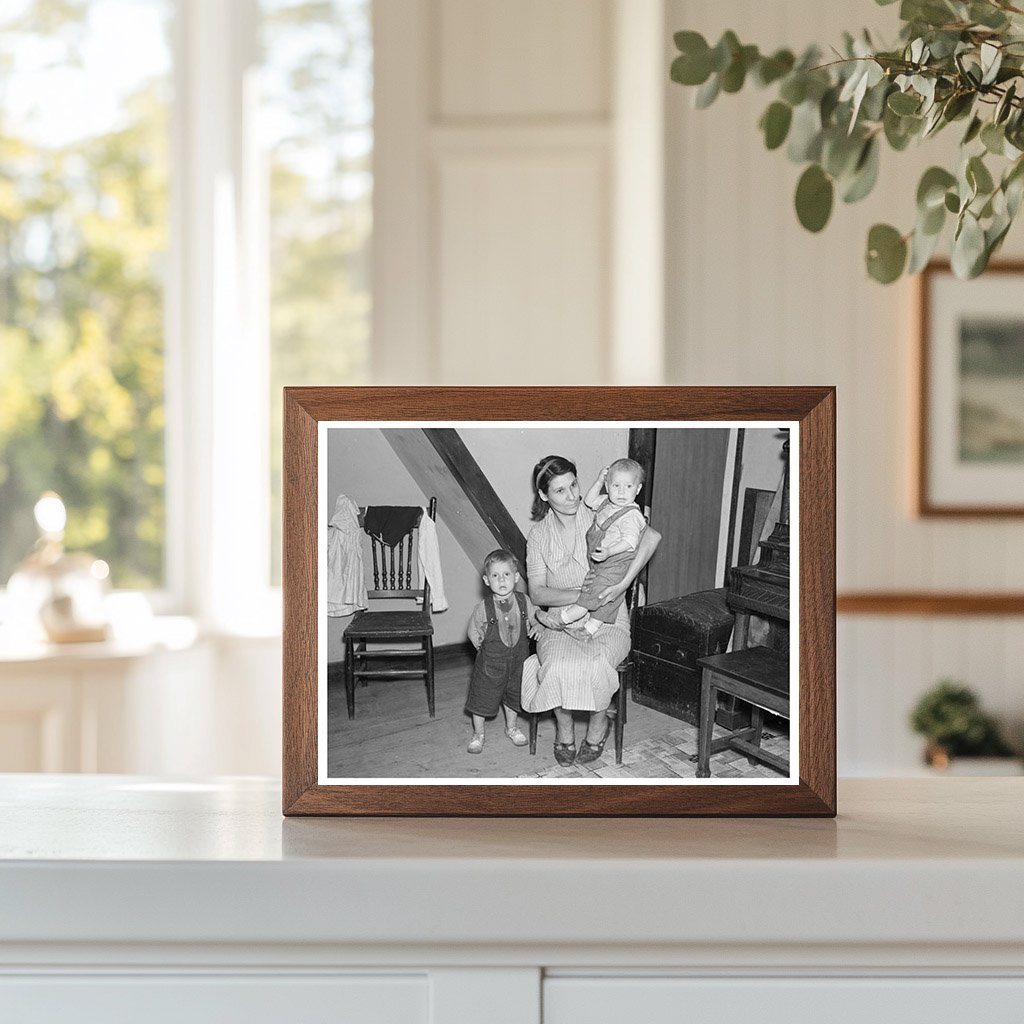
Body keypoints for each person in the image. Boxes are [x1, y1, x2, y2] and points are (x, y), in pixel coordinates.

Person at [521, 455, 661, 767]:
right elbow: (537, 592)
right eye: (560, 491)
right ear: (544, 496)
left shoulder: (601, 510)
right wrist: (580, 594)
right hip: (562, 619)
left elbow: (650, 537)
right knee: (557, 666)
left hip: (607, 618)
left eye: (574, 485)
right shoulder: (538, 535)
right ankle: (565, 730)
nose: (572, 496)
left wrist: (622, 582)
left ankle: (599, 726)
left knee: (598, 665)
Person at [558, 458, 647, 638]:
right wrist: (599, 481)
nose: (622, 492)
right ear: (608, 485)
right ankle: (589, 630)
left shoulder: (631, 515)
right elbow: (589, 502)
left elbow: (629, 542)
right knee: (603, 597)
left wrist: (609, 551)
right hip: (603, 560)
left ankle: (562, 619)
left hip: (616, 561)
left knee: (592, 594)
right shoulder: (608, 502)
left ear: (637, 489)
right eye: (616, 486)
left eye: (628, 487)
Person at [464, 549, 538, 754]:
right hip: (490, 664)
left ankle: (511, 727)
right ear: (487, 581)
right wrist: (482, 649)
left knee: (514, 695)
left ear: (515, 577)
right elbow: (472, 632)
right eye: (495, 576)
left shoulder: (525, 601)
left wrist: (538, 627)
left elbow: (534, 619)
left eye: (506, 574)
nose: (501, 580)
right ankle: (478, 734)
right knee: (481, 697)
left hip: (518, 662)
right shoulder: (483, 608)